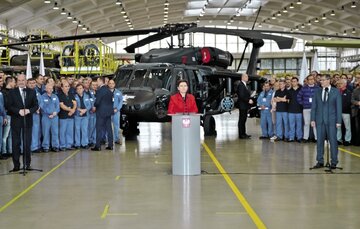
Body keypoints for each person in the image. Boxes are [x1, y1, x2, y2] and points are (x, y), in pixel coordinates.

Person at [7, 74, 38, 171]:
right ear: (17, 81)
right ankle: (16, 166)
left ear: (25, 81)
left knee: (27, 143)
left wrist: (29, 110)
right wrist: (18, 111)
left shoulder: (31, 92)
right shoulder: (12, 92)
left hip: (27, 121)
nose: (21, 82)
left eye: (23, 80)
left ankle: (27, 165)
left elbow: (36, 105)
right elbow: (8, 106)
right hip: (16, 121)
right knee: (16, 143)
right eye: (19, 80)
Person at [311, 74, 342, 169]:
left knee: (333, 141)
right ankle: (320, 161)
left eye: (323, 80)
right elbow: (314, 107)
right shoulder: (317, 92)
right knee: (319, 141)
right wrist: (312, 119)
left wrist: (338, 121)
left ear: (328, 80)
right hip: (320, 120)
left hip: (332, 121)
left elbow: (338, 107)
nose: (321, 82)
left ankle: (334, 161)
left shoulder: (335, 92)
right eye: (320, 80)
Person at [92, 76, 114, 151]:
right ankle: (110, 145)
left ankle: (97, 146)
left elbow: (97, 102)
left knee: (98, 129)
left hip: (101, 112)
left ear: (101, 81)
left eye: (97, 81)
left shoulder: (100, 91)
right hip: (108, 112)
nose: (97, 83)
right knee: (109, 129)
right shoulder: (109, 91)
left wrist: (94, 105)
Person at [297, 75, 319, 142]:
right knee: (306, 123)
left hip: (315, 109)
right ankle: (305, 138)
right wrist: (303, 103)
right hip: (306, 108)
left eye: (312, 79)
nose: (311, 80)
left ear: (314, 80)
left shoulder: (318, 88)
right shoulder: (304, 88)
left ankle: (316, 138)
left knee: (315, 123)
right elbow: (298, 97)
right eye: (309, 79)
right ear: (307, 81)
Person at [39, 82, 60, 152]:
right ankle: (46, 146)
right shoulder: (42, 97)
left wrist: (55, 113)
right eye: (48, 88)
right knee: (45, 132)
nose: (50, 89)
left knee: (55, 132)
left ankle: (55, 146)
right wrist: (49, 113)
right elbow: (42, 106)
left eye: (51, 88)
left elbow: (58, 106)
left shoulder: (55, 96)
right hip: (46, 117)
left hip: (55, 117)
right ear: (45, 89)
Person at [58, 81, 77, 151]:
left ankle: (69, 145)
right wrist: (70, 110)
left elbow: (75, 103)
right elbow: (61, 105)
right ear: (62, 87)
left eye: (68, 86)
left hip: (70, 116)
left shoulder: (71, 94)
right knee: (63, 131)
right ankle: (62, 145)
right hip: (63, 116)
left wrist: (73, 110)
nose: (67, 88)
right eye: (65, 86)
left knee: (70, 131)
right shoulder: (59, 95)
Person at [235, 73, 253, 139]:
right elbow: (241, 96)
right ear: (242, 78)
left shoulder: (245, 85)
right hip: (242, 105)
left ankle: (243, 133)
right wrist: (248, 100)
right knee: (242, 120)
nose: (247, 78)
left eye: (247, 76)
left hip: (244, 105)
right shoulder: (241, 85)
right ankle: (241, 135)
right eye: (246, 76)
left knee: (244, 120)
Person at [74, 84, 91, 149]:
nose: (79, 90)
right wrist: (80, 110)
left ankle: (85, 143)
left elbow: (89, 105)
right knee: (77, 130)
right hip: (77, 115)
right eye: (78, 89)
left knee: (84, 130)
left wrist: (85, 110)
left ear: (83, 89)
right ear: (76, 90)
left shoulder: (87, 96)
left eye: (81, 88)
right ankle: (77, 144)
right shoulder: (74, 97)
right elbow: (74, 106)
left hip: (85, 116)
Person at [336, 79, 352, 146]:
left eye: (341, 83)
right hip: (337, 112)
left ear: (345, 84)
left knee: (347, 127)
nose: (340, 84)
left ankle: (347, 140)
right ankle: (338, 139)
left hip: (346, 112)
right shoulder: (337, 92)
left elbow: (348, 103)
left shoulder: (348, 92)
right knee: (338, 127)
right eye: (339, 83)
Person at [287, 77, 303, 143]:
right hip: (291, 110)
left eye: (295, 81)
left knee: (299, 125)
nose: (293, 82)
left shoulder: (301, 90)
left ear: (297, 82)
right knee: (291, 125)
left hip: (299, 110)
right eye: (292, 81)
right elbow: (287, 100)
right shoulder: (289, 91)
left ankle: (299, 137)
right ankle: (291, 137)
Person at [108, 79, 123, 145]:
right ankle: (108, 139)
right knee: (107, 126)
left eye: (112, 83)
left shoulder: (118, 92)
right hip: (107, 111)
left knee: (116, 126)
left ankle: (117, 139)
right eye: (110, 83)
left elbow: (121, 101)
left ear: (114, 84)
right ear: (108, 84)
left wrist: (117, 109)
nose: (111, 85)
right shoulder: (106, 92)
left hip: (116, 111)